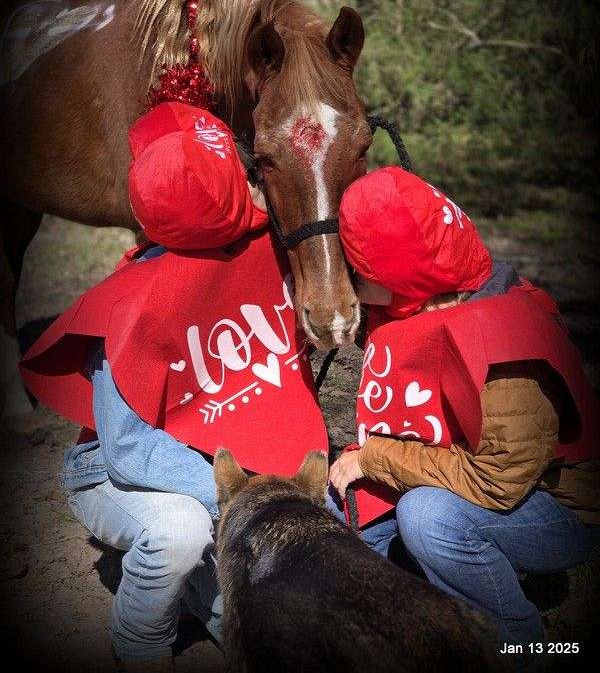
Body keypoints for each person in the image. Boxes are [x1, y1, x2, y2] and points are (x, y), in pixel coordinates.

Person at [20, 101, 328, 671]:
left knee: (267, 636)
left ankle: (201, 586)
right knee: (184, 532)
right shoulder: (129, 302)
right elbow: (127, 449)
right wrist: (248, 497)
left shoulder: (272, 254)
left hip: (220, 468)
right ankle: (139, 637)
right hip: (129, 474)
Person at [330, 165, 600, 663]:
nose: (343, 280)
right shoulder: (422, 300)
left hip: (557, 508)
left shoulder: (506, 340)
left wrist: (376, 458)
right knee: (347, 521)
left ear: (398, 274)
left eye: (352, 268)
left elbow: (498, 481)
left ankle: (522, 643)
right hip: (469, 470)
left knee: (428, 518)